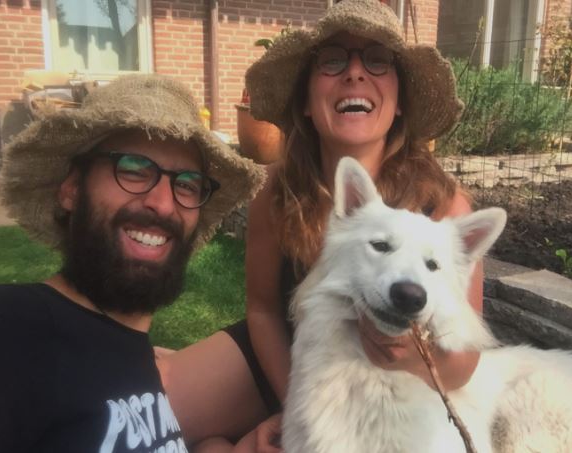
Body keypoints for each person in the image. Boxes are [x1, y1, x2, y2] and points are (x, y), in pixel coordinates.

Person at [160, 0, 482, 450]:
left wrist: (408, 357)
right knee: (146, 409)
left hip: (382, 376)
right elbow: (264, 310)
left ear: (400, 104)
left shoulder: (443, 207)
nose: (354, 73)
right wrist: (296, 405)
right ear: (308, 103)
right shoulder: (278, 189)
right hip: (282, 351)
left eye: (377, 60)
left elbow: (464, 363)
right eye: (333, 60)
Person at [0, 74, 265, 453]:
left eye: (186, 184)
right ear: (72, 189)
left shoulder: (134, 355)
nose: (163, 204)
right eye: (133, 169)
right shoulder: (4, 327)